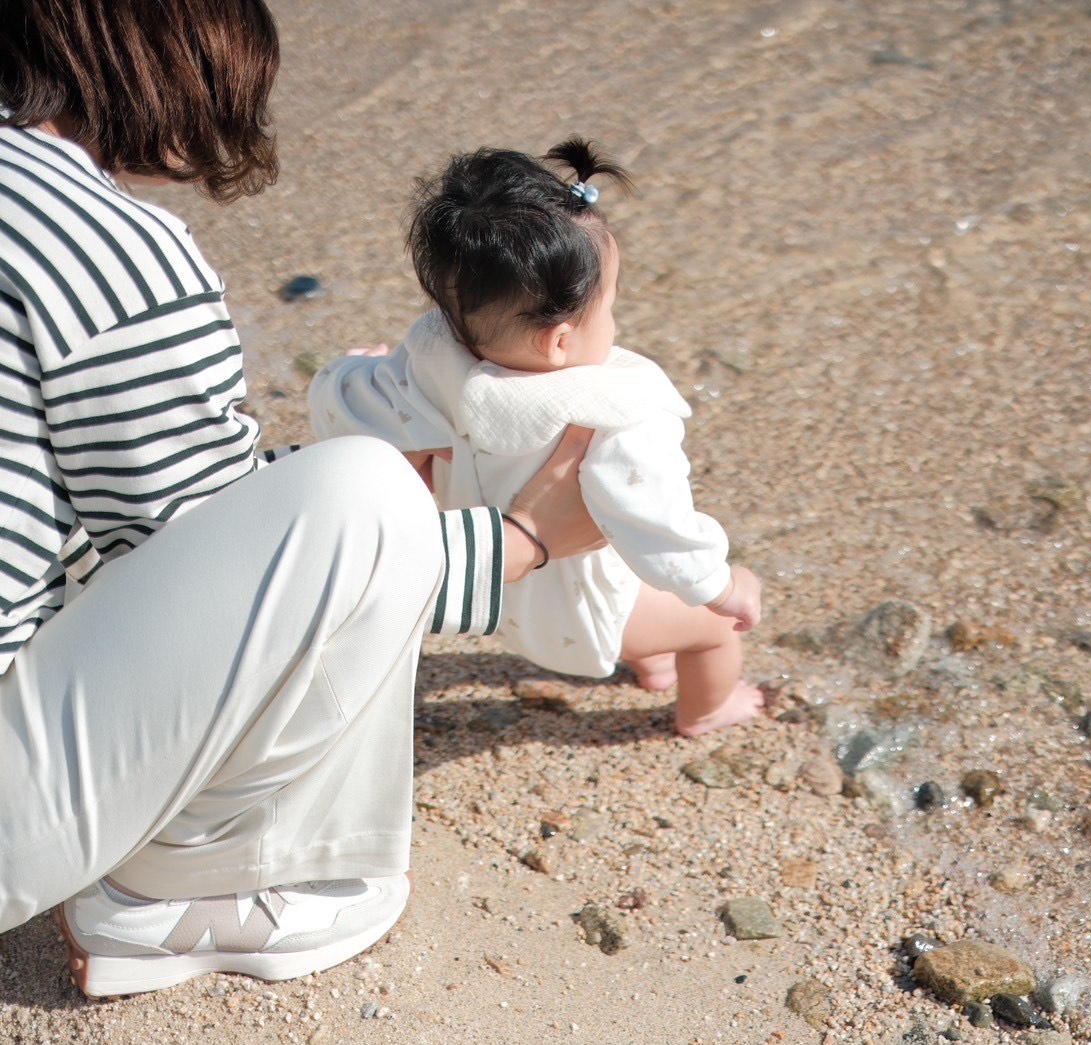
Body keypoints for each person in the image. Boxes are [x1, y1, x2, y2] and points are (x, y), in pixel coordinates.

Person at [0, 0, 601, 998]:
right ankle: (181, 893)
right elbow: (184, 544)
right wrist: (524, 538)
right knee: (361, 489)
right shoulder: (99, 245)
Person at [310, 141, 765, 738]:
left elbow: (337, 402)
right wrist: (721, 584)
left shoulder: (425, 369)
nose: (616, 325)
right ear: (558, 342)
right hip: (582, 610)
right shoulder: (615, 415)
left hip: (492, 585)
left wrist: (352, 367)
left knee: (645, 604)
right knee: (713, 631)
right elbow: (655, 522)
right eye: (610, 309)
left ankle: (653, 661)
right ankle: (708, 710)